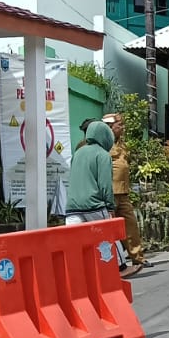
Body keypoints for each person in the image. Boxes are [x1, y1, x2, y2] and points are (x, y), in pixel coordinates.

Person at [66, 119, 134, 275]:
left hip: (72, 207)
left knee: (76, 242)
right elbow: (105, 185)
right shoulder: (103, 155)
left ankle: (78, 272)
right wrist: (110, 206)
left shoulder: (78, 153)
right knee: (109, 235)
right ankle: (121, 266)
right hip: (94, 204)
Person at [102, 113, 146, 271]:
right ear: (110, 127)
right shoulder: (103, 144)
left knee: (131, 225)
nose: (123, 128)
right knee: (112, 229)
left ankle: (138, 258)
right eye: (119, 125)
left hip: (123, 191)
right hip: (110, 193)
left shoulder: (121, 144)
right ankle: (115, 261)